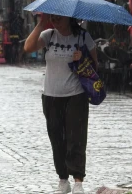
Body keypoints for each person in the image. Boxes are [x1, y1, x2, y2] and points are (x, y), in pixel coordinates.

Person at [24, 14, 98, 194]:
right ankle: (63, 179)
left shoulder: (82, 36)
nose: (55, 20)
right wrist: (41, 24)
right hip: (51, 95)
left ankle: (78, 181)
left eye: (59, 18)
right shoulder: (48, 35)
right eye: (53, 18)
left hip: (76, 95)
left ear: (69, 18)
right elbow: (28, 47)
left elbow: (95, 65)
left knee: (76, 139)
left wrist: (83, 57)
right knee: (57, 139)